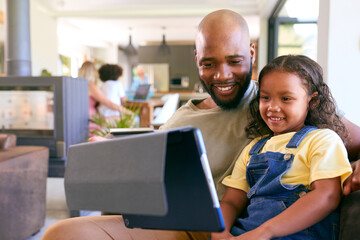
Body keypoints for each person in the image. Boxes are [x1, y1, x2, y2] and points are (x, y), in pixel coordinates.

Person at [43, 9, 360, 240]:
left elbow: (344, 141)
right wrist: (115, 157)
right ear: (197, 59)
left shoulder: (277, 102)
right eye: (209, 63)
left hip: (221, 227)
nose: (222, 75)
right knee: (61, 233)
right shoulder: (183, 115)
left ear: (251, 53)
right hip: (173, 219)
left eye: (234, 61)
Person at [211, 54, 352, 240]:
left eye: (286, 98)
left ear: (313, 101)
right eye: (265, 97)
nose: (273, 107)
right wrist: (219, 231)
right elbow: (231, 201)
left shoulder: (322, 140)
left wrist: (265, 232)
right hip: (247, 233)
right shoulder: (253, 149)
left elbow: (327, 196)